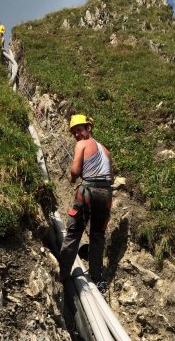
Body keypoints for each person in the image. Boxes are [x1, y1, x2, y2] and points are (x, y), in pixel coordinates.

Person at [59, 114, 113, 292]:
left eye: (79, 129)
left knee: (74, 231)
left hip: (88, 192)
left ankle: (63, 274)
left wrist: (73, 177)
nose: (76, 134)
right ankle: (97, 278)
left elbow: (75, 170)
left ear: (88, 128)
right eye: (74, 132)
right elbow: (109, 176)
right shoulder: (106, 150)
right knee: (97, 236)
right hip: (105, 195)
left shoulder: (81, 144)